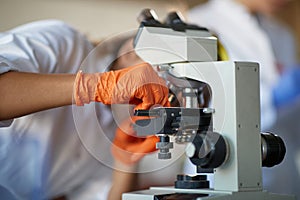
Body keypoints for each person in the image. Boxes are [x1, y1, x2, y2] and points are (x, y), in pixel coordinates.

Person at [0, 20, 169, 200]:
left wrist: (127, 158)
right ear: (131, 51)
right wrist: (97, 86)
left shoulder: (115, 132)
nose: (164, 100)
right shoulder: (65, 44)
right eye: (162, 80)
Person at [185, 0, 300, 198]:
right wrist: (272, 98)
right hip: (223, 166)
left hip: (282, 170)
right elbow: (207, 105)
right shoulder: (200, 25)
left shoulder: (281, 34)